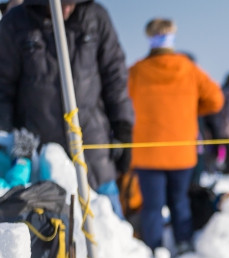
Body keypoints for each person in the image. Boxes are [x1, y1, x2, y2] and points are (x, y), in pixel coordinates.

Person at [0, 0, 134, 217]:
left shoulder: (95, 17)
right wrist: (7, 138)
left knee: (111, 232)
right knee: (52, 237)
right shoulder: (16, 22)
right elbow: (2, 88)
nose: (67, 8)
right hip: (41, 159)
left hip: (94, 153)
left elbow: (115, 77)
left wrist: (123, 126)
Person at [128, 18, 223, 255]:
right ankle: (183, 245)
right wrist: (190, 109)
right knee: (179, 201)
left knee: (151, 206)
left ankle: (154, 251)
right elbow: (216, 100)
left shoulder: (137, 71)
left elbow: (121, 104)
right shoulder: (189, 68)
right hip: (181, 150)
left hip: (147, 152)